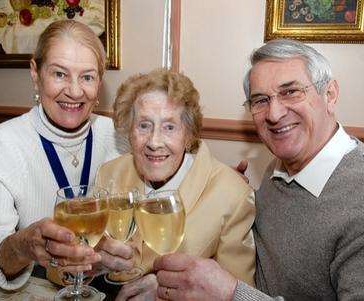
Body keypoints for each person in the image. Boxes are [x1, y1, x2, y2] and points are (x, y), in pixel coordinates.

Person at [153, 39, 364, 300]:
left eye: (291, 92)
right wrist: (231, 193)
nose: (274, 114)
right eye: (260, 100)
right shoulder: (280, 165)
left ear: (330, 95)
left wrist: (232, 294)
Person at [0, 20, 133, 291]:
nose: (75, 91)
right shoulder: (2, 143)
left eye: (87, 77)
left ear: (99, 82)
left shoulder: (119, 137)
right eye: (59, 74)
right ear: (35, 73)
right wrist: (24, 245)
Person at [95, 69, 256, 300]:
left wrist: (166, 291)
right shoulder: (110, 174)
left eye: (169, 127)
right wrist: (96, 261)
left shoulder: (233, 194)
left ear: (189, 135)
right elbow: (85, 261)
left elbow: (235, 292)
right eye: (143, 125)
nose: (154, 142)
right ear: (129, 131)